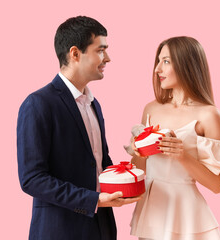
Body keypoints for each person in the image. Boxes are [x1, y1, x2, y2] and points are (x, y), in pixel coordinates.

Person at [17, 16, 140, 240]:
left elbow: (99, 163)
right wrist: (93, 200)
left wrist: (129, 175)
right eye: (101, 50)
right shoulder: (38, 104)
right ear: (75, 53)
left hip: (102, 229)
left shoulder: (94, 104)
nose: (108, 58)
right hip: (60, 231)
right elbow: (32, 179)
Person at [127, 36, 220, 240]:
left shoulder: (209, 115)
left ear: (187, 64)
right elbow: (140, 169)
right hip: (153, 212)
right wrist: (139, 152)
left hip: (187, 217)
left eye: (166, 61)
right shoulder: (150, 109)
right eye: (158, 61)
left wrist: (182, 156)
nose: (157, 69)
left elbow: (218, 185)